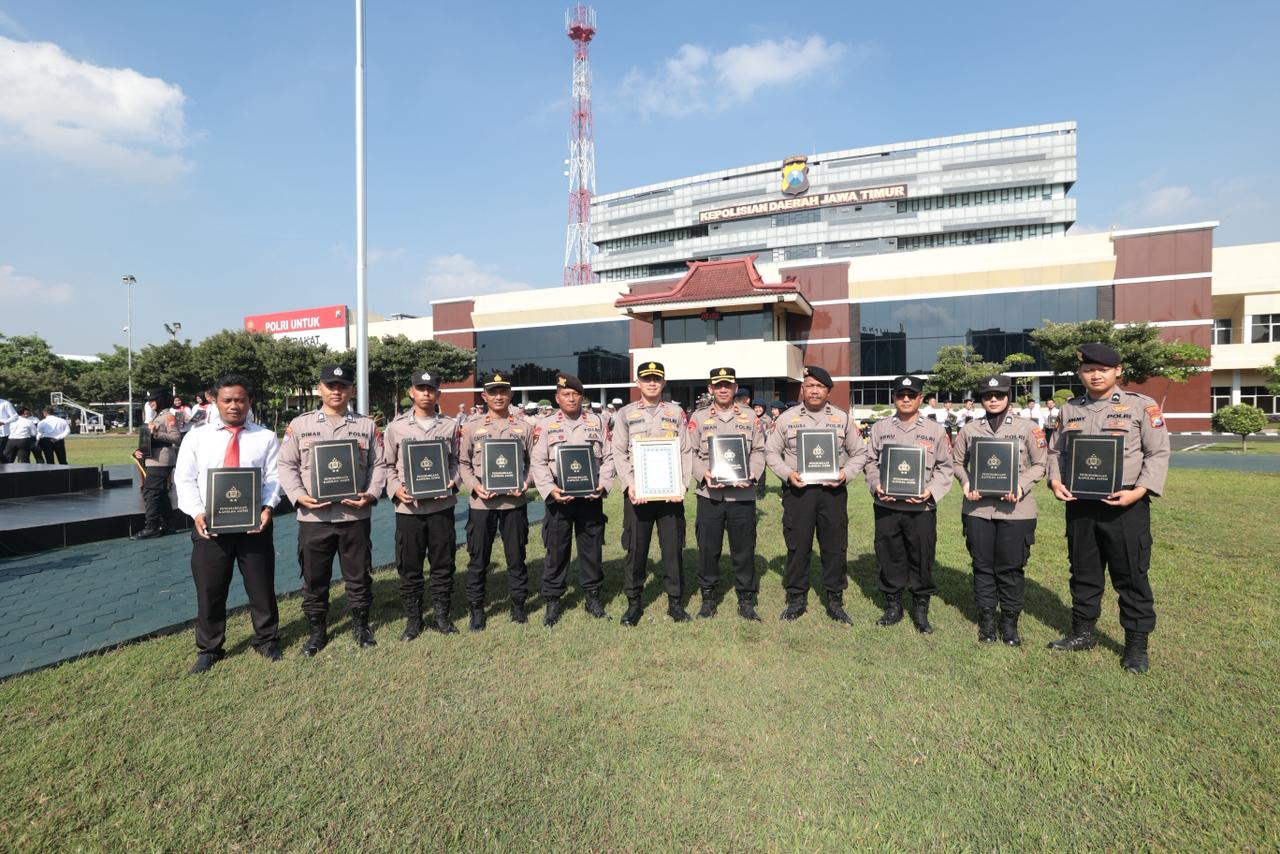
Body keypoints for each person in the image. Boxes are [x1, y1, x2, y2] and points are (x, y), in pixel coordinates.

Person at [1045, 342, 1170, 673]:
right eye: (1088, 370)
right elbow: (1057, 453)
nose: (1095, 375)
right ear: (1080, 373)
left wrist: (1140, 490)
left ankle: (1136, 645)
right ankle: (1083, 632)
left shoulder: (1142, 407)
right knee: (1083, 572)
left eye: (1102, 369)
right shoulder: (1070, 409)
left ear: (1118, 371)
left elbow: (1157, 453)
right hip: (1080, 504)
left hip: (1125, 505)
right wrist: (1055, 482)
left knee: (1130, 574)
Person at [174, 375, 282, 673]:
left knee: (261, 587)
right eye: (228, 400)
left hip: (255, 526)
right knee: (210, 589)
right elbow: (183, 479)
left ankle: (267, 640)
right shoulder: (196, 437)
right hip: (210, 527)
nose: (234, 405)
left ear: (249, 402)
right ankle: (210, 648)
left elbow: (273, 479)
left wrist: (267, 508)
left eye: (241, 399)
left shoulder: (265, 437)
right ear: (215, 401)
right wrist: (197, 513)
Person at [277, 363, 386, 655]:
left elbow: (379, 465)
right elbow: (286, 465)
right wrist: (299, 496)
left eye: (342, 385)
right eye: (330, 385)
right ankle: (317, 632)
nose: (336, 390)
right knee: (314, 577)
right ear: (320, 388)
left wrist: (372, 494)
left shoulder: (366, 425)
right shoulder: (300, 425)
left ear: (352, 389)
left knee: (359, 575)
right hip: (314, 517)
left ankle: (361, 626)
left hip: (355, 515)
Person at [765, 366, 866, 623]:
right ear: (802, 389)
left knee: (834, 546)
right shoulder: (787, 419)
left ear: (828, 391)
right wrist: (788, 473)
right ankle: (796, 598)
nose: (814, 390)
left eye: (820, 386)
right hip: (799, 493)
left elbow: (860, 453)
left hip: (832, 493)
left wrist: (846, 473)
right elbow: (770, 453)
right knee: (797, 546)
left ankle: (835, 599)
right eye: (809, 385)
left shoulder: (842, 419)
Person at [951, 375, 1047, 645]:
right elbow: (957, 462)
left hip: (1016, 510)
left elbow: (1041, 464)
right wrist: (967, 481)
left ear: (1008, 396)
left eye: (999, 395)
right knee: (982, 567)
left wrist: (1020, 484)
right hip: (978, 509)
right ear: (981, 398)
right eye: (987, 395)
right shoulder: (970, 430)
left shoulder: (1028, 428)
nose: (993, 399)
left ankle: (1010, 623)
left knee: (1011, 568)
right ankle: (987, 622)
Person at [863, 375, 955, 633]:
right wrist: (876, 485)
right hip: (887, 506)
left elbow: (945, 467)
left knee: (922, 557)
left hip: (921, 508)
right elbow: (870, 462)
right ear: (894, 397)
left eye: (911, 395)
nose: (905, 399)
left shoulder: (935, 431)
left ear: (920, 398)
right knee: (889, 555)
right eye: (901, 394)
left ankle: (920, 608)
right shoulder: (880, 428)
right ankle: (893, 606)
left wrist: (931, 491)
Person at [610, 361, 693, 626]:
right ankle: (634, 603)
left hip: (670, 495)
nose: (652, 383)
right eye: (647, 379)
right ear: (638, 383)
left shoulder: (676, 413)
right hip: (639, 494)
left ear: (664, 382)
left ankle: (675, 603)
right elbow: (619, 452)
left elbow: (685, 450)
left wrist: (682, 484)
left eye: (656, 379)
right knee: (636, 549)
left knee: (672, 549)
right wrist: (630, 484)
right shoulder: (625, 414)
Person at [381, 369, 461, 639]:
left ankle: (441, 615)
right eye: (420, 388)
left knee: (443, 563)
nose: (426, 393)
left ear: (438, 393)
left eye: (431, 388)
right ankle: (413, 620)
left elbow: (457, 462)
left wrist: (452, 481)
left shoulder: (450, 426)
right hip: (409, 509)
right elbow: (387, 465)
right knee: (409, 565)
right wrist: (396, 489)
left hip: (441, 507)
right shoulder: (396, 427)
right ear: (411, 392)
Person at [531, 373, 613, 625]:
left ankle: (592, 597)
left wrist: (603, 484)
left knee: (591, 550)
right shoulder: (545, 425)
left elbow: (609, 458)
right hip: (559, 498)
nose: (570, 398)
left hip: (590, 498)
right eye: (565, 394)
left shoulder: (597, 422)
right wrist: (550, 489)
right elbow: (538, 460)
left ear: (581, 396)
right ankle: (553, 601)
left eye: (575, 394)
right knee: (556, 551)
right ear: (557, 397)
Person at [457, 371, 535, 630]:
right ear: (484, 396)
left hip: (513, 504)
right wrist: (475, 487)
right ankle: (477, 609)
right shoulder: (471, 427)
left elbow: (534, 463)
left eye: (503, 391)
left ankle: (518, 605)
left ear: (510, 394)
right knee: (478, 559)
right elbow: (463, 463)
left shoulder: (524, 427)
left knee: (516, 556)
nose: (499, 396)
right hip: (482, 504)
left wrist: (525, 483)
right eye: (493, 392)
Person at [687, 368, 766, 621]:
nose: (722, 389)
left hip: (741, 496)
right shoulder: (698, 418)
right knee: (708, 549)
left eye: (727, 385)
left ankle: (746, 598)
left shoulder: (750, 416)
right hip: (709, 495)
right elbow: (689, 453)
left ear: (735, 388)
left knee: (743, 549)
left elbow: (759, 450)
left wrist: (752, 474)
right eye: (718, 385)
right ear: (710, 388)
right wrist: (703, 474)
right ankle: (708, 597)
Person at [131, 390, 183, 538]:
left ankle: (152, 527)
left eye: (153, 399)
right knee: (159, 493)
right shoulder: (159, 416)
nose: (150, 402)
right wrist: (140, 450)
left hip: (162, 459)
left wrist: (155, 434)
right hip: (154, 458)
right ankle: (168, 524)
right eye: (149, 400)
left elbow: (176, 437)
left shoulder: (168, 416)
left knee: (150, 492)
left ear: (161, 399)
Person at [752, 398, 772, 499]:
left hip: (763, 448)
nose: (758, 409)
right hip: (752, 448)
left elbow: (771, 434)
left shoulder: (767, 419)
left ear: (764, 409)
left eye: (760, 407)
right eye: (756, 407)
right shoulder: (750, 418)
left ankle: (760, 492)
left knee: (761, 470)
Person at [0, 394, 18, 460]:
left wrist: (3, 422)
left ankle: (6, 466)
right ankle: (6, 466)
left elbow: (15, 416)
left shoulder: (5, 403)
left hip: (2, 434)